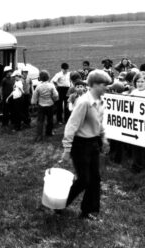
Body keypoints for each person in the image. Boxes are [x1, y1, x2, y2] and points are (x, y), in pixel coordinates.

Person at [60, 70, 112, 220]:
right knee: (84, 180)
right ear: (94, 85)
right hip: (80, 145)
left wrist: (104, 139)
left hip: (93, 143)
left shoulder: (100, 102)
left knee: (95, 179)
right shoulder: (84, 103)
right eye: (104, 84)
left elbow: (99, 122)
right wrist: (67, 149)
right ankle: (58, 204)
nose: (106, 87)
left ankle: (87, 211)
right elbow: (71, 126)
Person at [31, 70, 58, 142]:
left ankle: (39, 135)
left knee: (40, 121)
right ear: (48, 77)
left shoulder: (38, 86)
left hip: (41, 105)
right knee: (50, 119)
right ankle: (49, 132)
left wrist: (33, 103)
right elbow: (56, 95)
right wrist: (54, 100)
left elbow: (35, 95)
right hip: (50, 105)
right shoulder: (51, 85)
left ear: (40, 78)